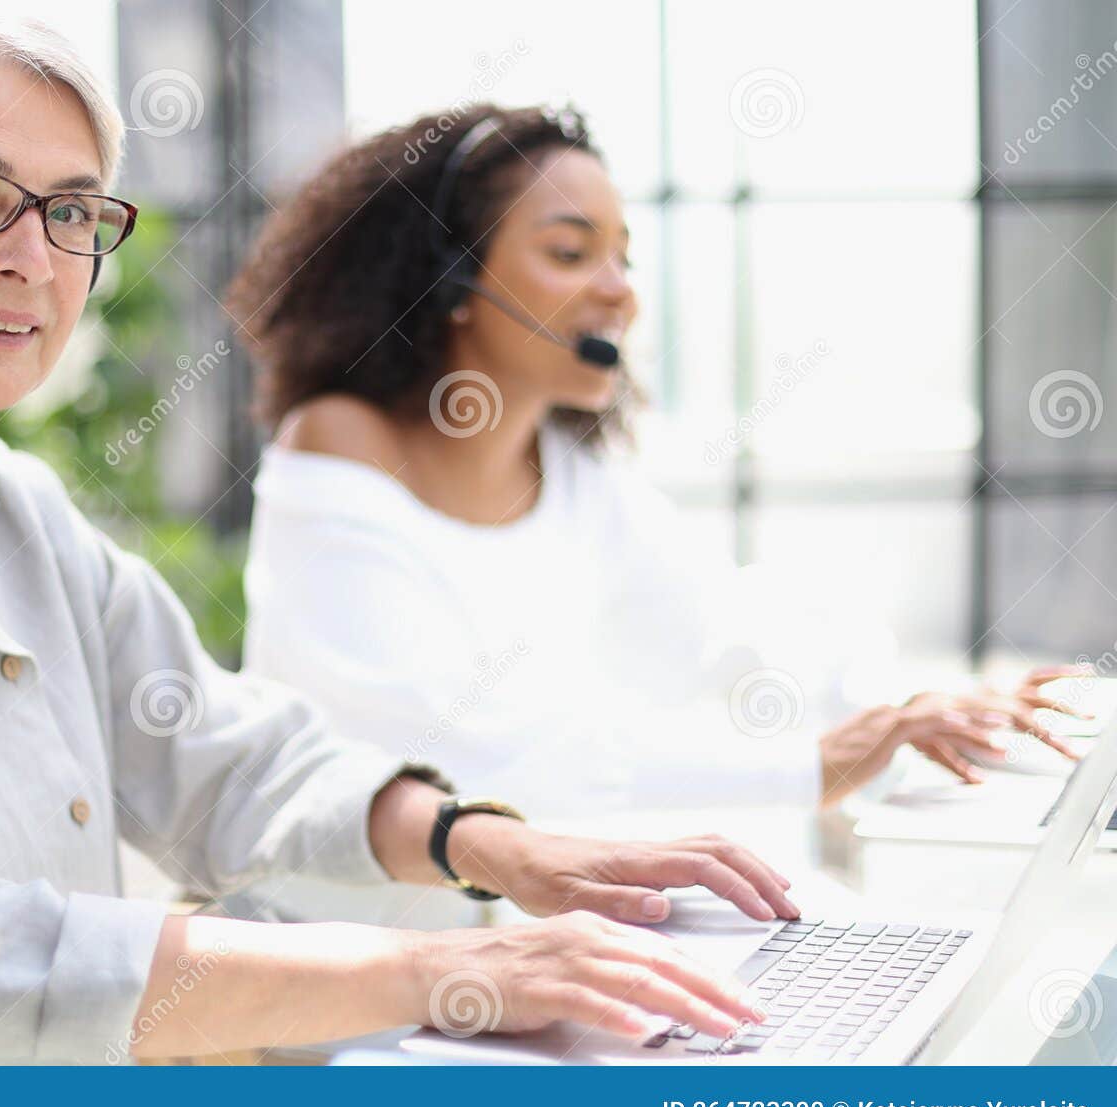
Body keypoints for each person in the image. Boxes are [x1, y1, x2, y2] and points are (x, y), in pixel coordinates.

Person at [0, 11, 798, 1066]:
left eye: (74, 211)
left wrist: (492, 845)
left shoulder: (13, 504)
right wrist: (440, 968)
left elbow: (215, 750)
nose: (32, 259)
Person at [224, 104, 1086, 926]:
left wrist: (921, 713)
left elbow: (727, 634)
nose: (620, 295)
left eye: (624, 260)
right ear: (451, 279)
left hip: (529, 956)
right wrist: (809, 766)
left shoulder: (572, 473)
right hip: (364, 974)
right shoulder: (338, 444)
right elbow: (469, 753)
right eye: (570, 253)